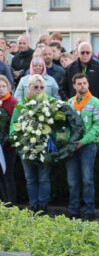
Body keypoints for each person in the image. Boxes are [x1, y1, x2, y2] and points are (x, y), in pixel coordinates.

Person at [11, 76, 58, 212]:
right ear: (29, 88)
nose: (38, 90)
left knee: (43, 178)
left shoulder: (50, 103)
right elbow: (13, 126)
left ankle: (43, 207)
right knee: (30, 178)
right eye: (35, 87)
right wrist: (18, 142)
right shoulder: (21, 105)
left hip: (44, 146)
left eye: (41, 87)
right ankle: (33, 205)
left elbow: (56, 125)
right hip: (26, 147)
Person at [65, 73, 99, 220]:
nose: (82, 86)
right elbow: (65, 125)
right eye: (79, 84)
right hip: (71, 146)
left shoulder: (96, 103)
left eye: (84, 83)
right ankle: (73, 211)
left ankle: (89, 211)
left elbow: (98, 127)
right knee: (72, 181)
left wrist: (83, 141)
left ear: (88, 84)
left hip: (87, 146)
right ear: (74, 86)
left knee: (87, 180)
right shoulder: (69, 103)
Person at [0, 76, 17, 203]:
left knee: (8, 175)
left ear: (9, 87)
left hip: (8, 146)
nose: (1, 89)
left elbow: (15, 124)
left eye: (3, 86)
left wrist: (6, 139)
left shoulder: (13, 102)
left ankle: (11, 203)